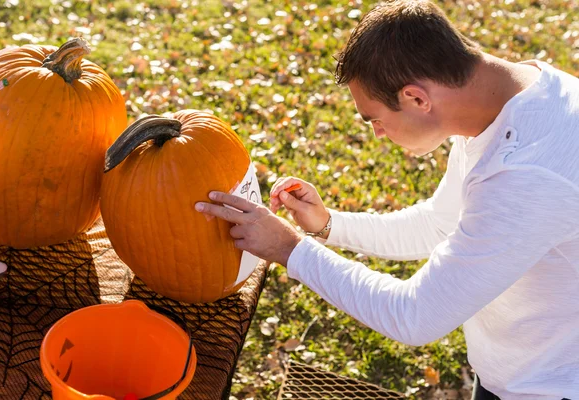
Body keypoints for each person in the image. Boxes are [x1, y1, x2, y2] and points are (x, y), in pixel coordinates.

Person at [194, 1, 579, 398]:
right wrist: (330, 225)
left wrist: (290, 249)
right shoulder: (511, 96)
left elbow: (414, 315)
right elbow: (438, 224)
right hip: (517, 366)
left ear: (416, 98)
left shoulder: (525, 175)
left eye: (374, 118)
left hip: (546, 387)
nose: (377, 133)